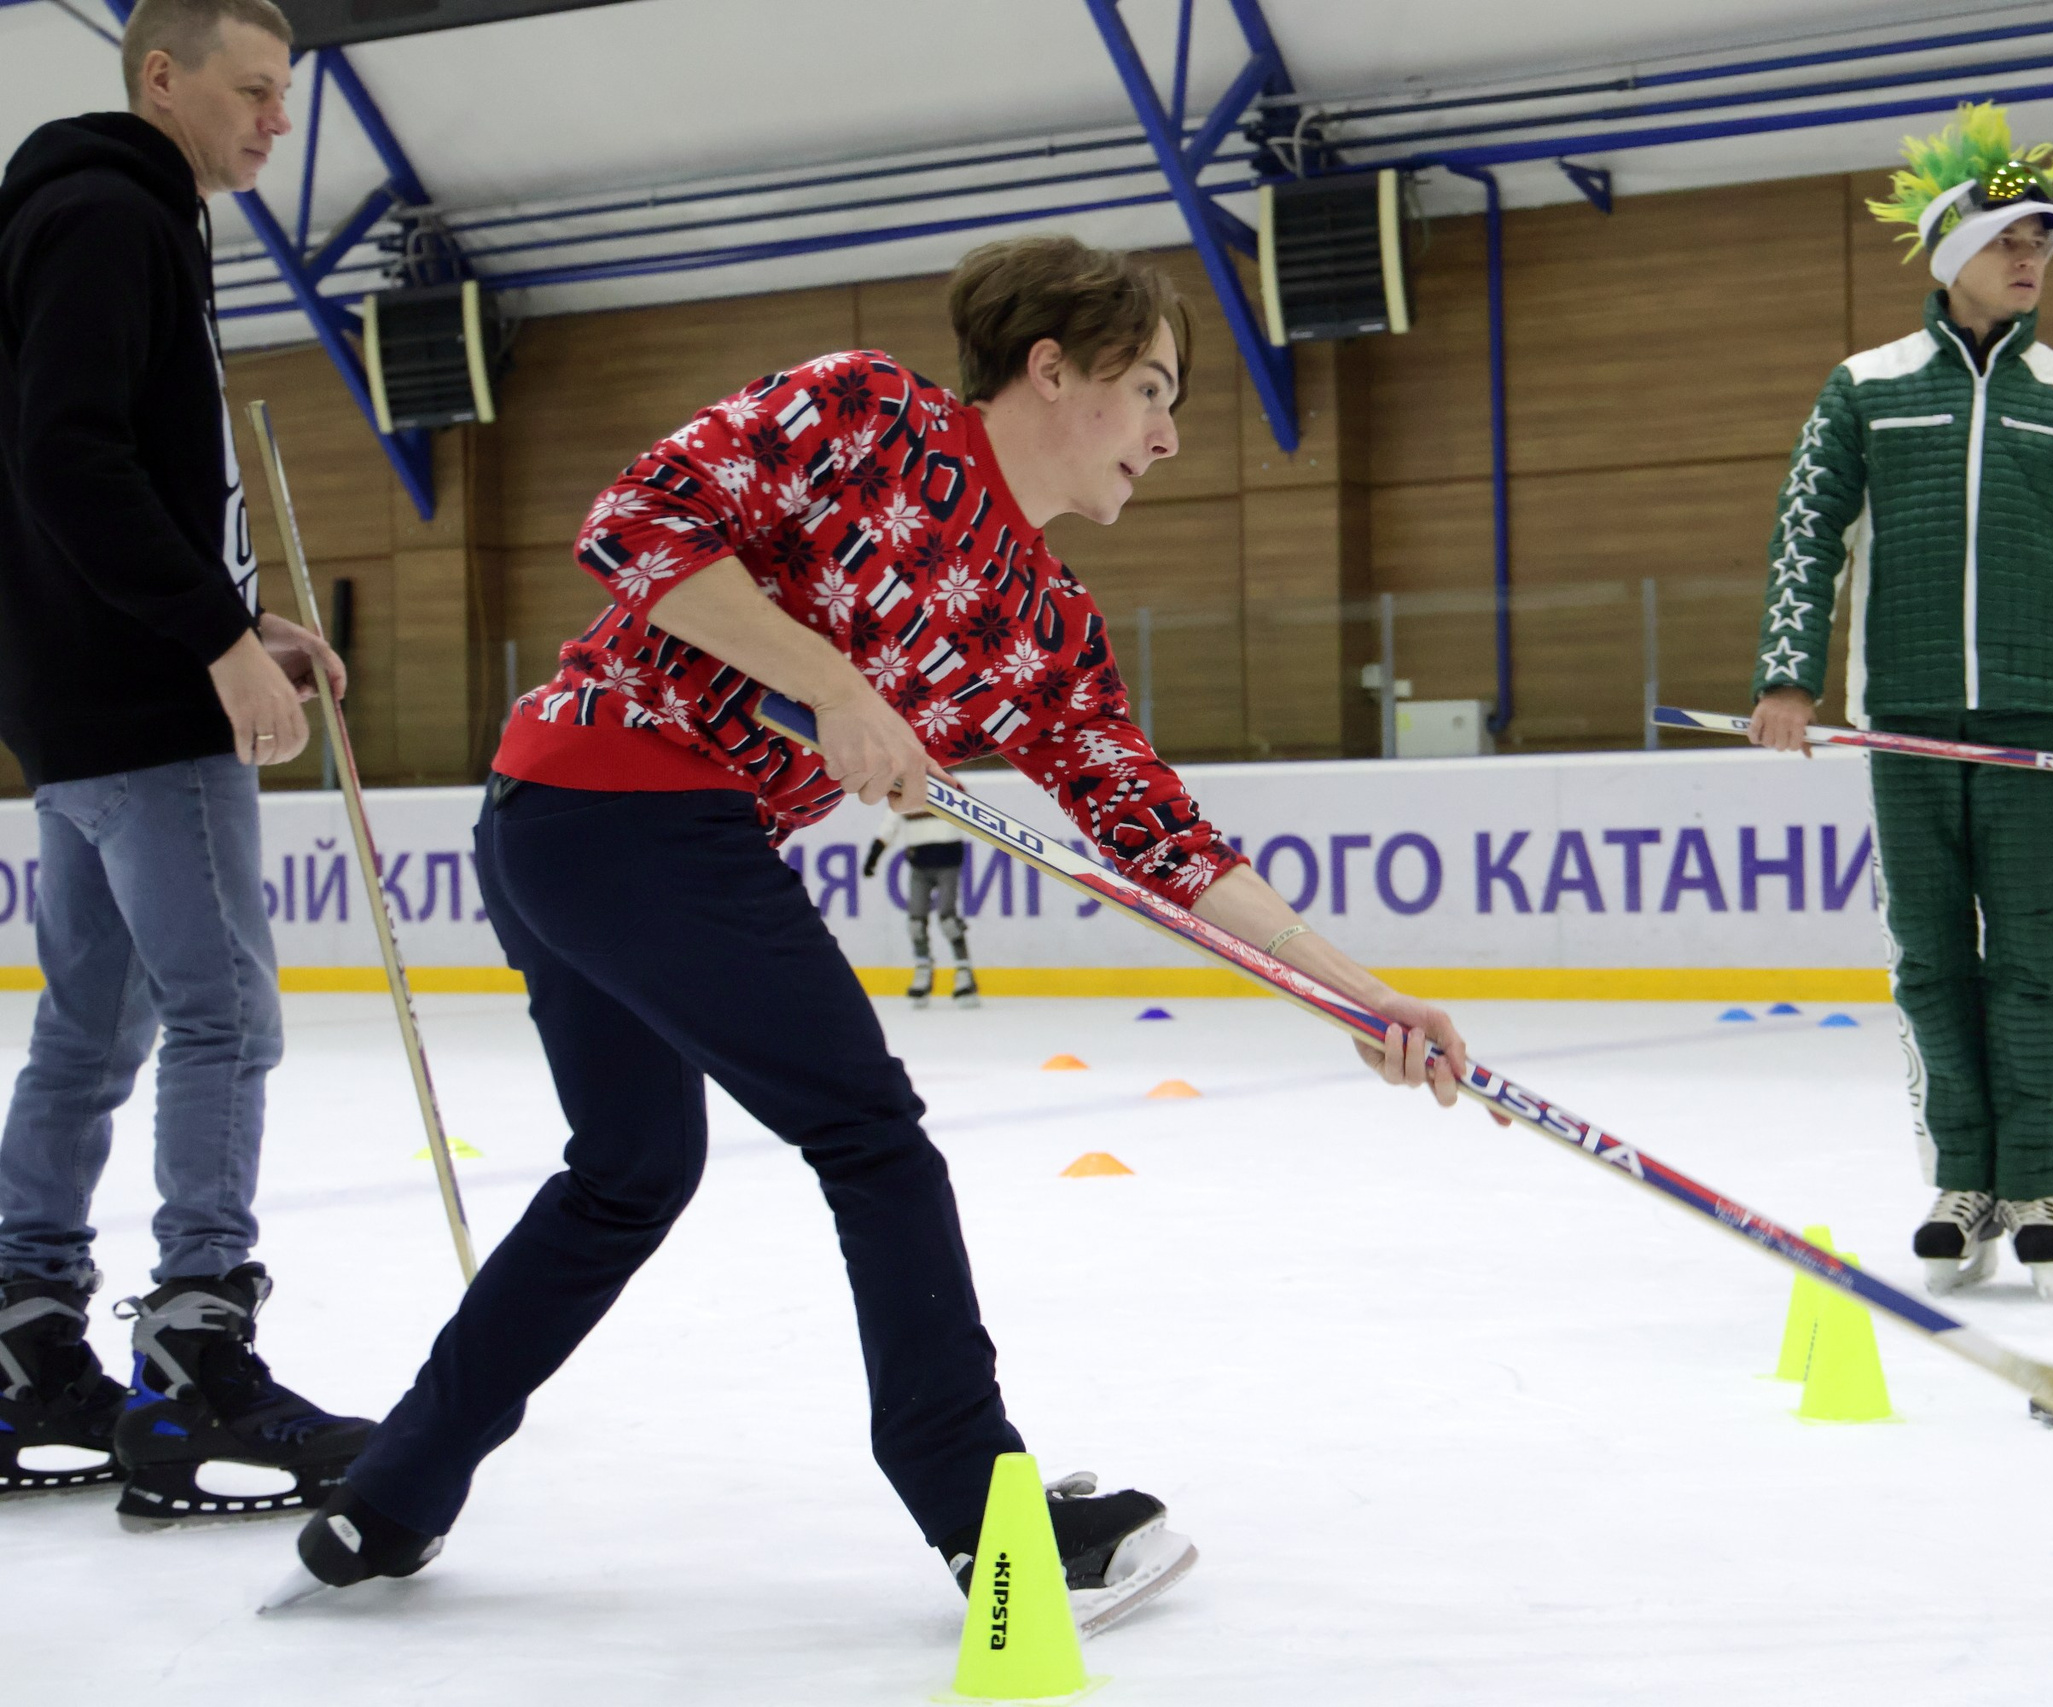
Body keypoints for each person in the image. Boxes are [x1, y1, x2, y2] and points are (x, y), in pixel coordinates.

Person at [273, 235, 1481, 1627]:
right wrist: (838, 685)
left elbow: (1163, 839)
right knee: (872, 1138)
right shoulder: (869, 413)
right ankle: (991, 1522)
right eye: (1150, 388)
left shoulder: (1046, 623)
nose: (1165, 434)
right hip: (617, 799)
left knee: (628, 1170)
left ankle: (392, 1488)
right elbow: (632, 523)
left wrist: (1361, 995)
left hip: (604, 838)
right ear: (1051, 368)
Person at [0, 0, 367, 1521]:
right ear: (162, 76)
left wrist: (241, 611)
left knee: (95, 1015)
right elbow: (67, 451)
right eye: (255, 89)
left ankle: (27, 1339)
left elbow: (102, 467)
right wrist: (211, 648)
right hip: (145, 706)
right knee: (223, 1013)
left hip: (77, 694)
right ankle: (199, 1355)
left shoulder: (85, 211)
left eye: (286, 95)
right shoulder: (112, 217)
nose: (277, 121)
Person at [1744, 104, 2053, 1301]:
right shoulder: (1866, 388)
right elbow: (1804, 532)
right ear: (1947, 252)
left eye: (2042, 241)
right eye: (2005, 239)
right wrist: (1787, 677)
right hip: (1906, 727)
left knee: (2031, 964)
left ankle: (2035, 1182)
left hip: (2030, 728)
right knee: (1930, 963)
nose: (2029, 259)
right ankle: (1960, 1181)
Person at [866, 796, 976, 1008]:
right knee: (915, 922)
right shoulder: (905, 790)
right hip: (920, 864)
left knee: (948, 919)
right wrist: (875, 854)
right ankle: (923, 968)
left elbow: (967, 811)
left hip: (948, 861)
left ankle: (964, 972)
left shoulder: (947, 787)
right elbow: (890, 822)